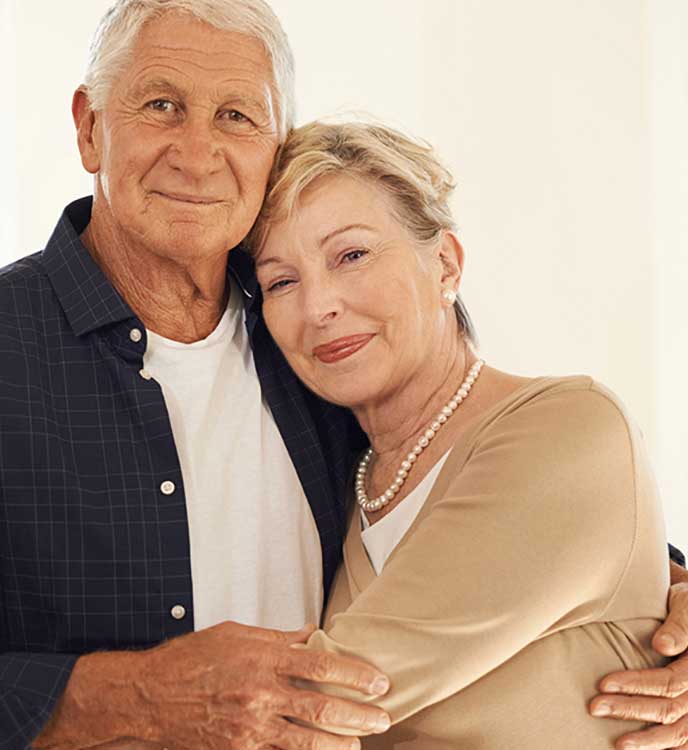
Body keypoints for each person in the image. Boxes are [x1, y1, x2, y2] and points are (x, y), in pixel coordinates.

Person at [0, 2, 688, 749]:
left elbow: (488, 497)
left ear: (274, 146)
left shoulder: (312, 344)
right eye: (159, 105)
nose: (196, 150)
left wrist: (666, 602)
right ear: (88, 127)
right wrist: (134, 698)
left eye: (236, 115)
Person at [250, 120, 682, 748]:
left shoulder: (570, 428)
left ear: (446, 264)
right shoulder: (343, 490)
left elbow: (321, 705)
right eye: (280, 281)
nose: (318, 306)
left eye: (352, 254)